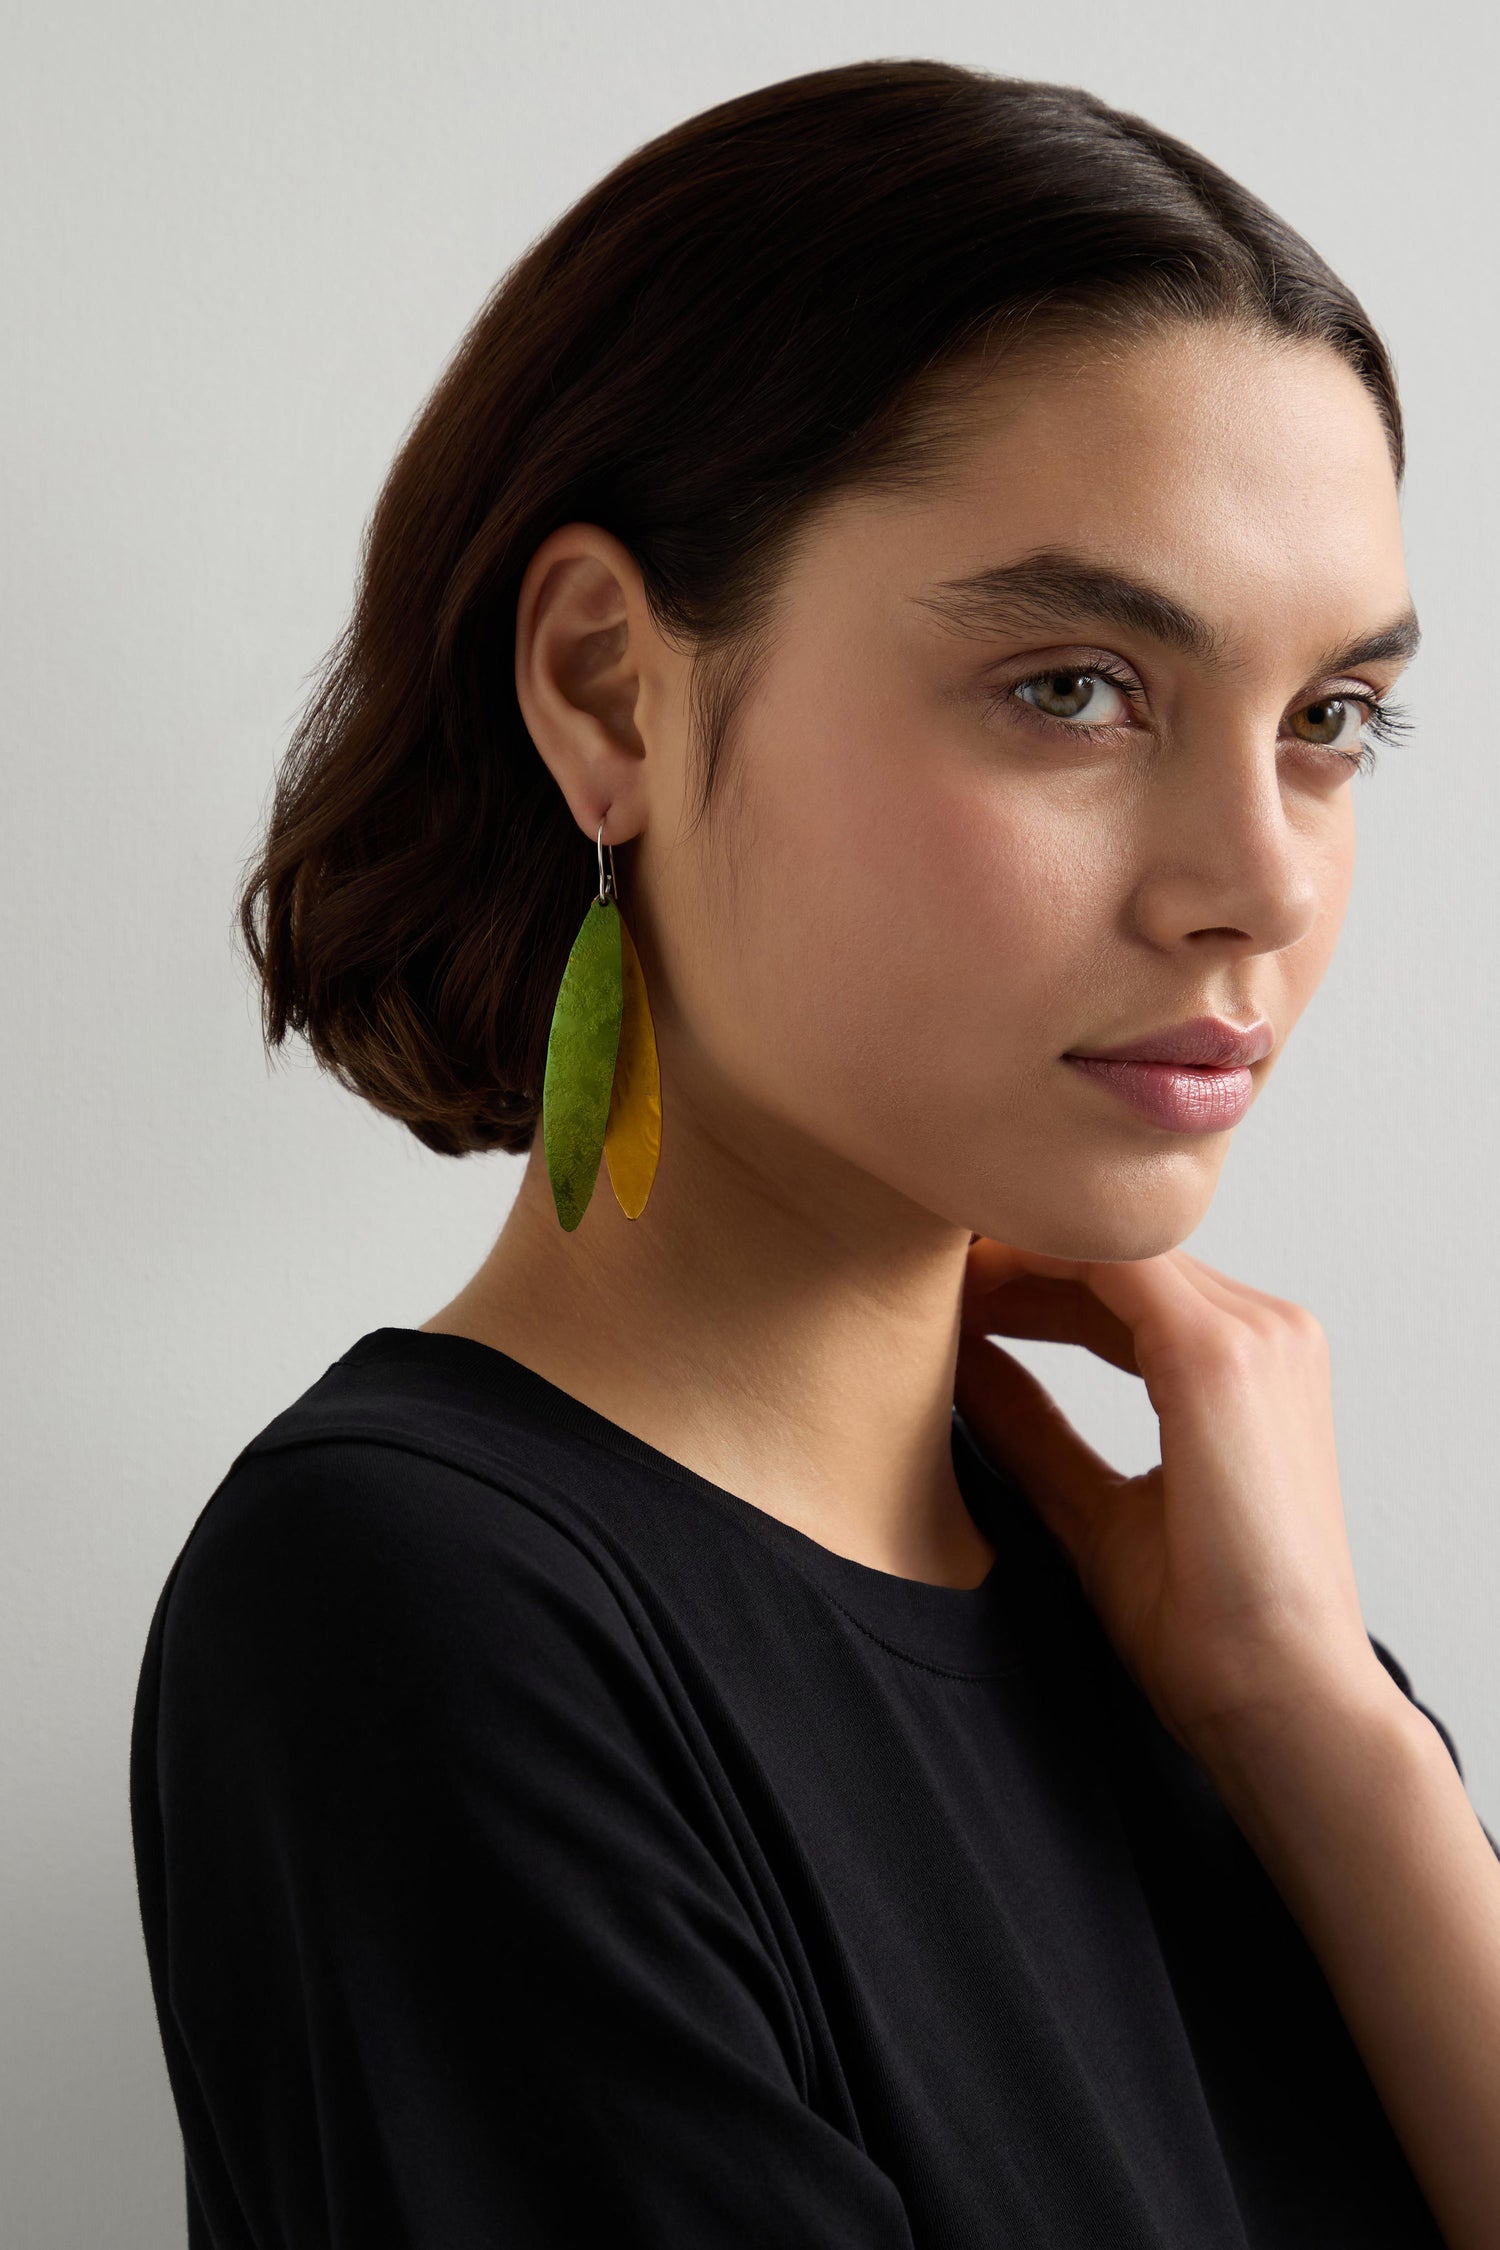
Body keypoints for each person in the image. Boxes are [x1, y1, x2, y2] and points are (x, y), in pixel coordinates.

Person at [130, 57, 1500, 2250]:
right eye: (1076, 686)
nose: (1258, 878)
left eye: (1329, 720)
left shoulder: (1206, 1621)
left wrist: (1325, 1737)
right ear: (610, 691)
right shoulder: (419, 1615)